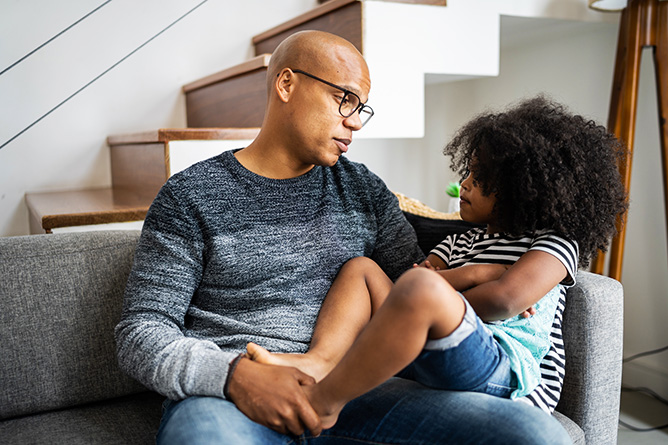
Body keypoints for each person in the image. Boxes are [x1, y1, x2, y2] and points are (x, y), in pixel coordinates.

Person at [115, 29, 575, 444]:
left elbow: (412, 291)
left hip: (358, 391)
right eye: (345, 99)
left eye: (361, 108)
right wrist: (234, 377)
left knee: (531, 433)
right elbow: (141, 333)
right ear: (287, 84)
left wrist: (498, 269)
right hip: (235, 397)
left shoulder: (363, 190)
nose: (355, 121)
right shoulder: (191, 196)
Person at [247, 96, 628, 429]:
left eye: (480, 180)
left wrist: (460, 281)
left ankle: (324, 404)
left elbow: (503, 302)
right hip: (433, 347)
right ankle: (319, 360)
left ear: (524, 190)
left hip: (504, 369)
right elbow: (410, 287)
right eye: (468, 173)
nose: (464, 185)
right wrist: (466, 277)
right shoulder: (461, 240)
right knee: (360, 268)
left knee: (422, 289)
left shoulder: (553, 244)